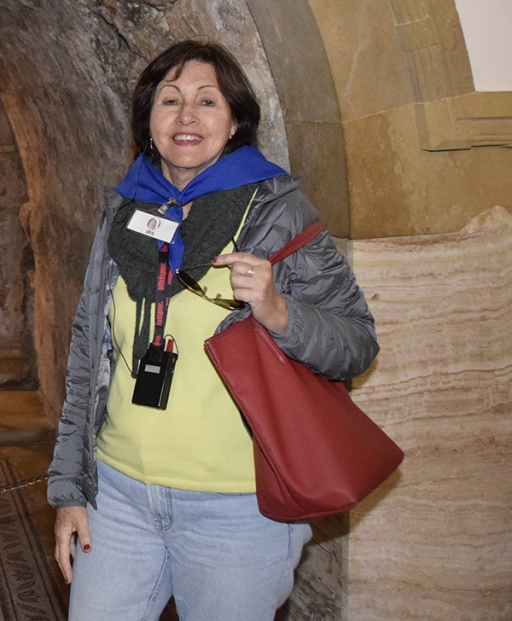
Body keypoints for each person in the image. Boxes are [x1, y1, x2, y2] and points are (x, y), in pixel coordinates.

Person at [47, 40, 378, 621]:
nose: (187, 116)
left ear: (235, 122)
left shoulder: (277, 214)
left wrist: (279, 311)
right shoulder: (124, 213)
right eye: (170, 99)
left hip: (238, 510)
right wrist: (71, 490)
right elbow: (86, 356)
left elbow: (356, 343)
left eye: (207, 101)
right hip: (118, 497)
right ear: (148, 120)